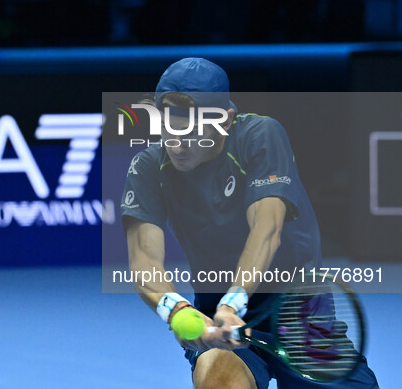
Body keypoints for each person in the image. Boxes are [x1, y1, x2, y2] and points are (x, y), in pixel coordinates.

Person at [120, 57, 379, 388]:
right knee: (218, 378)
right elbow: (144, 260)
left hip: (298, 314)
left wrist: (234, 300)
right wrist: (177, 310)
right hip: (219, 318)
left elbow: (266, 230)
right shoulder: (147, 168)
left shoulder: (260, 135)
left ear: (226, 120)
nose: (177, 141)